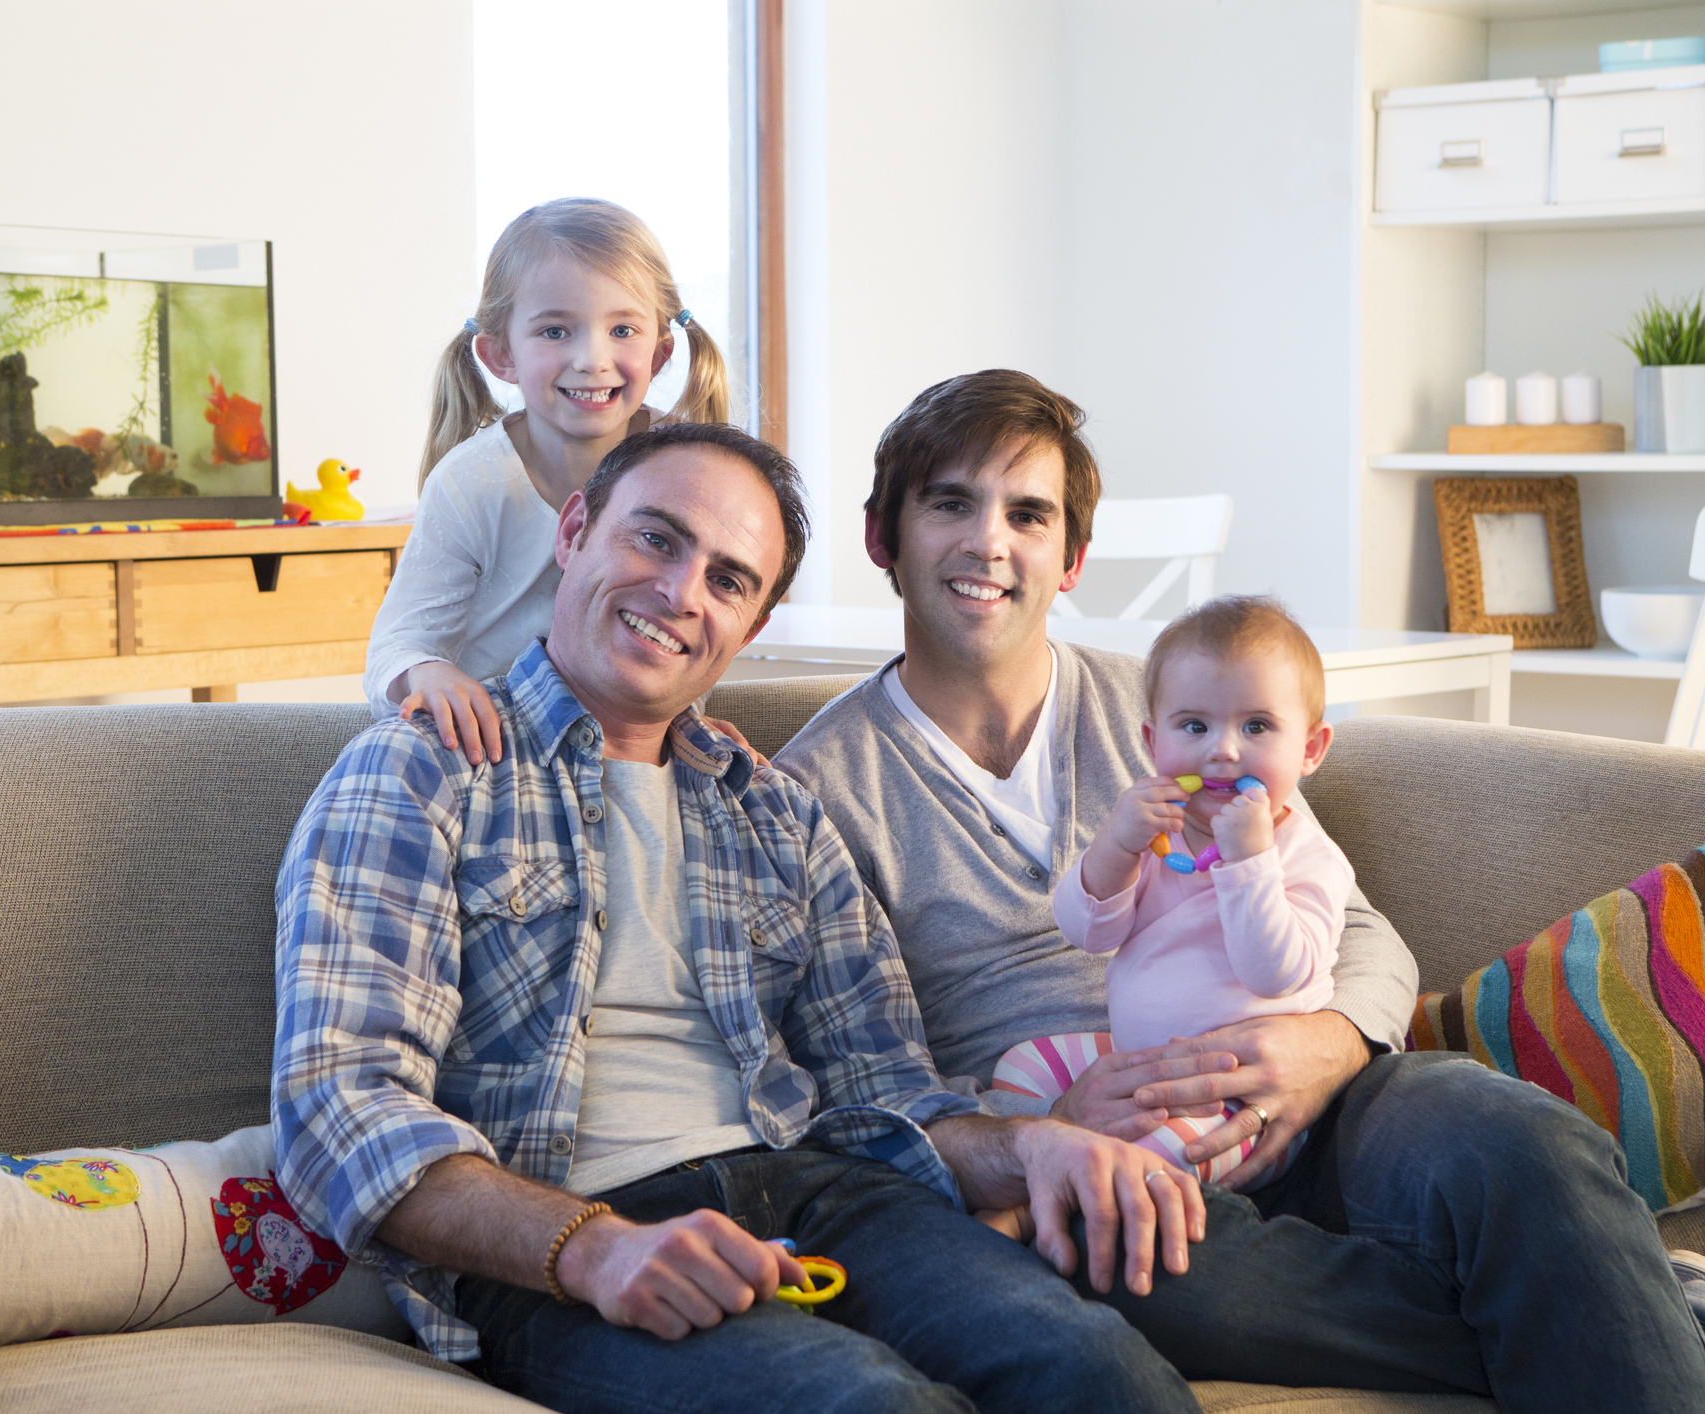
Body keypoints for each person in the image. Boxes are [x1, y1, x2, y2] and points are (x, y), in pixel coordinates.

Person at [776, 368, 1705, 1414]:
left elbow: (1358, 925)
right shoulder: (819, 788)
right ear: (883, 535)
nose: (992, 542)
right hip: (1110, 1154)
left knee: (1515, 1137)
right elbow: (866, 1083)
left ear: (1071, 559)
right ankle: (1688, 1332)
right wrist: (1032, 1144)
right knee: (1146, 1275)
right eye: (951, 503)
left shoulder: (1184, 697)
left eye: (1028, 513)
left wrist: (1330, 1042)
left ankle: (1607, 1282)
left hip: (1320, 1091)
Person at [273, 421, 1217, 1414]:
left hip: (829, 1196)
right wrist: (591, 1248)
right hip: (574, 1237)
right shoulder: (423, 768)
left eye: (729, 580)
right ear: (576, 529)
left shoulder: (775, 808)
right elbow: (340, 1106)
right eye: (657, 539)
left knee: (1097, 1369)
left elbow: (883, 1092)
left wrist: (1030, 1145)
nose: (681, 594)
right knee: (867, 1404)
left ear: (753, 624)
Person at [989, 596, 1350, 1196]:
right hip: (1139, 1059)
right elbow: (1087, 931)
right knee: (1021, 1069)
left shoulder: (1307, 856)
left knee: (1152, 1160)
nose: (1224, 750)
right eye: (1195, 726)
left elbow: (1274, 973)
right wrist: (1116, 846)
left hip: (1237, 1096)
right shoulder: (1159, 835)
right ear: (1154, 743)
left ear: (1310, 749)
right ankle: (1058, 1179)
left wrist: (1250, 861)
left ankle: (1036, 1210)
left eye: (1256, 726)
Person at [362, 197, 733, 765]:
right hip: (493, 755)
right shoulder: (473, 484)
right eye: (556, 330)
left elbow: (686, 617)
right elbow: (394, 648)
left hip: (622, 752)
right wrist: (429, 673)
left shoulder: (683, 471)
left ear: (660, 354)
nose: (591, 358)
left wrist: (686, 724)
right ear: (500, 355)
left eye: (623, 329)